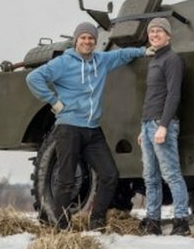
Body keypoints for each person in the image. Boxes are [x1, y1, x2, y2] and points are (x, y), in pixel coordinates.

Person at [27, 21, 148, 230]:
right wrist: (54, 102)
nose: (87, 41)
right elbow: (33, 77)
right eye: (83, 38)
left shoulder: (100, 60)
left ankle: (96, 221)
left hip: (92, 130)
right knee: (66, 180)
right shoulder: (64, 63)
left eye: (91, 38)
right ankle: (61, 227)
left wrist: (144, 51)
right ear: (76, 41)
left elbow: (121, 55)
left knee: (110, 174)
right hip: (68, 129)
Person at [138, 17, 190, 236]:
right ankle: (153, 221)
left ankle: (181, 222)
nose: (155, 34)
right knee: (150, 177)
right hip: (148, 124)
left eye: (159, 31)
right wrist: (143, 129)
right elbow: (152, 96)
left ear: (168, 36)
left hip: (161, 124)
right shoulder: (154, 60)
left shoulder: (172, 59)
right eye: (152, 31)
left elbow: (173, 95)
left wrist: (164, 125)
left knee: (172, 175)